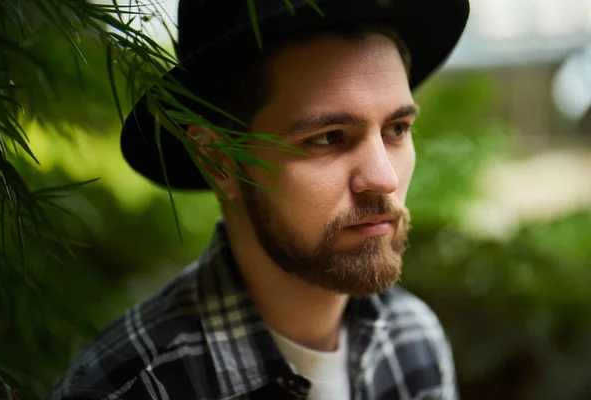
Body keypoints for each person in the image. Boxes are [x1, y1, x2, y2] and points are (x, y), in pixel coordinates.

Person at [49, 0, 469, 399]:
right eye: (327, 137)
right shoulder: (129, 389)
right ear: (218, 160)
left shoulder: (413, 339)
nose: (383, 178)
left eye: (396, 128)